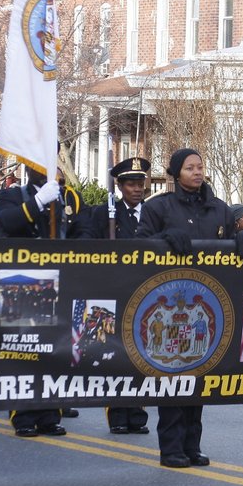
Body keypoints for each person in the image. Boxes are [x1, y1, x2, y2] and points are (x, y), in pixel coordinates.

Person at [137, 147, 243, 469]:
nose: (197, 172)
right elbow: (137, 247)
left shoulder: (219, 209)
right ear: (176, 174)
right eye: (190, 167)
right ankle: (171, 448)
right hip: (169, 304)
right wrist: (163, 238)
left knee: (199, 380)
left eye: (200, 166)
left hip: (207, 308)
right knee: (173, 378)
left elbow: (235, 241)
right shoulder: (158, 207)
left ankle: (192, 446)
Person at [0, 162, 92, 437]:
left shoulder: (69, 197)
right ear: (27, 166)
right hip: (24, 283)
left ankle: (50, 413)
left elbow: (84, 229)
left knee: (55, 349)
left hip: (60, 281)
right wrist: (38, 201)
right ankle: (23, 414)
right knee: (24, 350)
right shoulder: (14, 195)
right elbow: (6, 222)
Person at [91, 156, 151, 436]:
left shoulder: (153, 214)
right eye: (131, 184)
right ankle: (117, 412)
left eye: (140, 183)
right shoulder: (104, 214)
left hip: (142, 293)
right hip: (112, 292)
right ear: (120, 185)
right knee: (114, 356)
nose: (137, 189)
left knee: (140, 356)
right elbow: (88, 247)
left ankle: (137, 412)